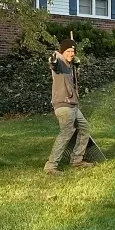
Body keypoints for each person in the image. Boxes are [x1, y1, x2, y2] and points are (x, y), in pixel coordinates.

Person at [43, 42, 92, 173]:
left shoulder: (70, 66)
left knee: (85, 128)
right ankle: (51, 166)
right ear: (63, 52)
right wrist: (53, 59)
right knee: (66, 132)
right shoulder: (59, 63)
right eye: (68, 51)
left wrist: (76, 66)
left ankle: (77, 160)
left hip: (73, 105)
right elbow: (53, 63)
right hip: (64, 105)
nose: (71, 54)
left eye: (72, 51)